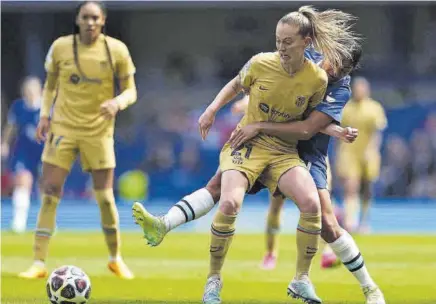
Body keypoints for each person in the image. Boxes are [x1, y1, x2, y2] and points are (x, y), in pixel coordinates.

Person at [134, 6, 360, 304]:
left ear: (306, 42)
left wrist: (336, 132)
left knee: (310, 204)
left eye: (288, 41)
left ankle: (301, 279)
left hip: (284, 151)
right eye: (278, 40)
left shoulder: (318, 80)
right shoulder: (261, 63)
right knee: (227, 201)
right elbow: (237, 84)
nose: (281, 47)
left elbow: (310, 122)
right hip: (248, 145)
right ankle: (213, 280)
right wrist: (213, 109)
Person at [229, 46, 385, 304]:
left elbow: (309, 126)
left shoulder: (339, 87)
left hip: (309, 153)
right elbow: (273, 81)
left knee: (328, 222)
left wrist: (336, 131)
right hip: (275, 147)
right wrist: (248, 102)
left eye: (343, 69)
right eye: (335, 63)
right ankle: (270, 254)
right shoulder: (303, 58)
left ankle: (369, 287)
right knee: (223, 189)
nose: (335, 71)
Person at [19, 1, 137, 280]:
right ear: (78, 19)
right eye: (85, 17)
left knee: (105, 198)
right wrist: (44, 115)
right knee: (49, 192)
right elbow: (49, 85)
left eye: (95, 17)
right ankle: (38, 261)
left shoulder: (116, 50)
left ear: (103, 20)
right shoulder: (60, 47)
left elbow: (131, 91)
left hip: (98, 131)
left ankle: (115, 258)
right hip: (63, 128)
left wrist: (117, 103)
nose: (90, 22)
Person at [335, 77, 387, 233]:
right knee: (351, 186)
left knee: (367, 189)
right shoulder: (346, 108)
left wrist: (372, 150)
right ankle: (350, 221)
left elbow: (377, 132)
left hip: (367, 154)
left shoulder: (374, 108)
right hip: (348, 153)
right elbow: (338, 131)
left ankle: (364, 221)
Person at [1, 76, 44, 233]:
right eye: (27, 91)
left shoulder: (48, 107)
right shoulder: (18, 107)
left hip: (44, 151)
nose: (30, 94)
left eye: (33, 90)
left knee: (45, 185)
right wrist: (4, 143)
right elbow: (11, 127)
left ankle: (47, 222)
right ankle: (19, 223)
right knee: (22, 180)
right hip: (24, 151)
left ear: (40, 91)